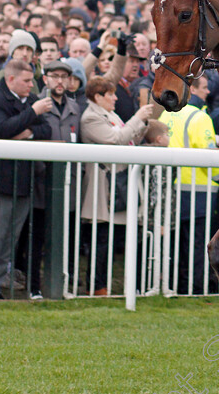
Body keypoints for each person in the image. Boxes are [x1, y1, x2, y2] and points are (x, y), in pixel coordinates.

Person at [0, 59, 53, 299]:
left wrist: (28, 132)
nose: (32, 85)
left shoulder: (30, 101)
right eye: (27, 81)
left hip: (23, 181)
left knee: (10, 238)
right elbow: (0, 129)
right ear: (10, 79)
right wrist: (32, 114)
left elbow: (46, 130)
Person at [80, 76, 155, 295]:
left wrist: (143, 124)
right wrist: (137, 117)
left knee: (116, 240)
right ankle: (98, 287)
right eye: (111, 94)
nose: (115, 98)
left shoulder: (108, 114)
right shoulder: (90, 118)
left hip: (117, 187)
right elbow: (116, 140)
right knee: (102, 242)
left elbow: (129, 140)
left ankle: (129, 286)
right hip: (102, 190)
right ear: (98, 97)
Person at [158, 74, 219, 295]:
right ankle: (195, 288)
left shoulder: (167, 114)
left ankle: (175, 285)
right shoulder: (201, 118)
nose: (208, 92)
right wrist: (218, 178)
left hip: (172, 190)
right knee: (196, 245)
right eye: (204, 88)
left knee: (176, 243)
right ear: (192, 90)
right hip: (198, 191)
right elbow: (211, 157)